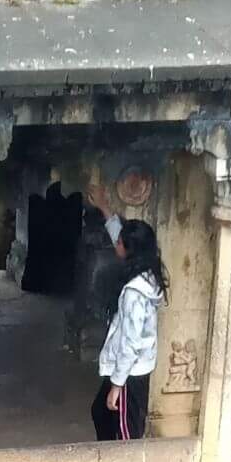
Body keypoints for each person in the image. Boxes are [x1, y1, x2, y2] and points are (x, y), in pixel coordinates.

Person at [85, 183, 168, 442]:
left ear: (129, 250)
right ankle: (109, 461)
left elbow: (130, 343)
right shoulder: (147, 270)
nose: (116, 244)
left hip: (130, 374)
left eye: (120, 243)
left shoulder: (134, 293)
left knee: (126, 436)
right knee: (100, 413)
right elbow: (120, 237)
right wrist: (104, 208)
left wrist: (117, 385)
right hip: (130, 369)